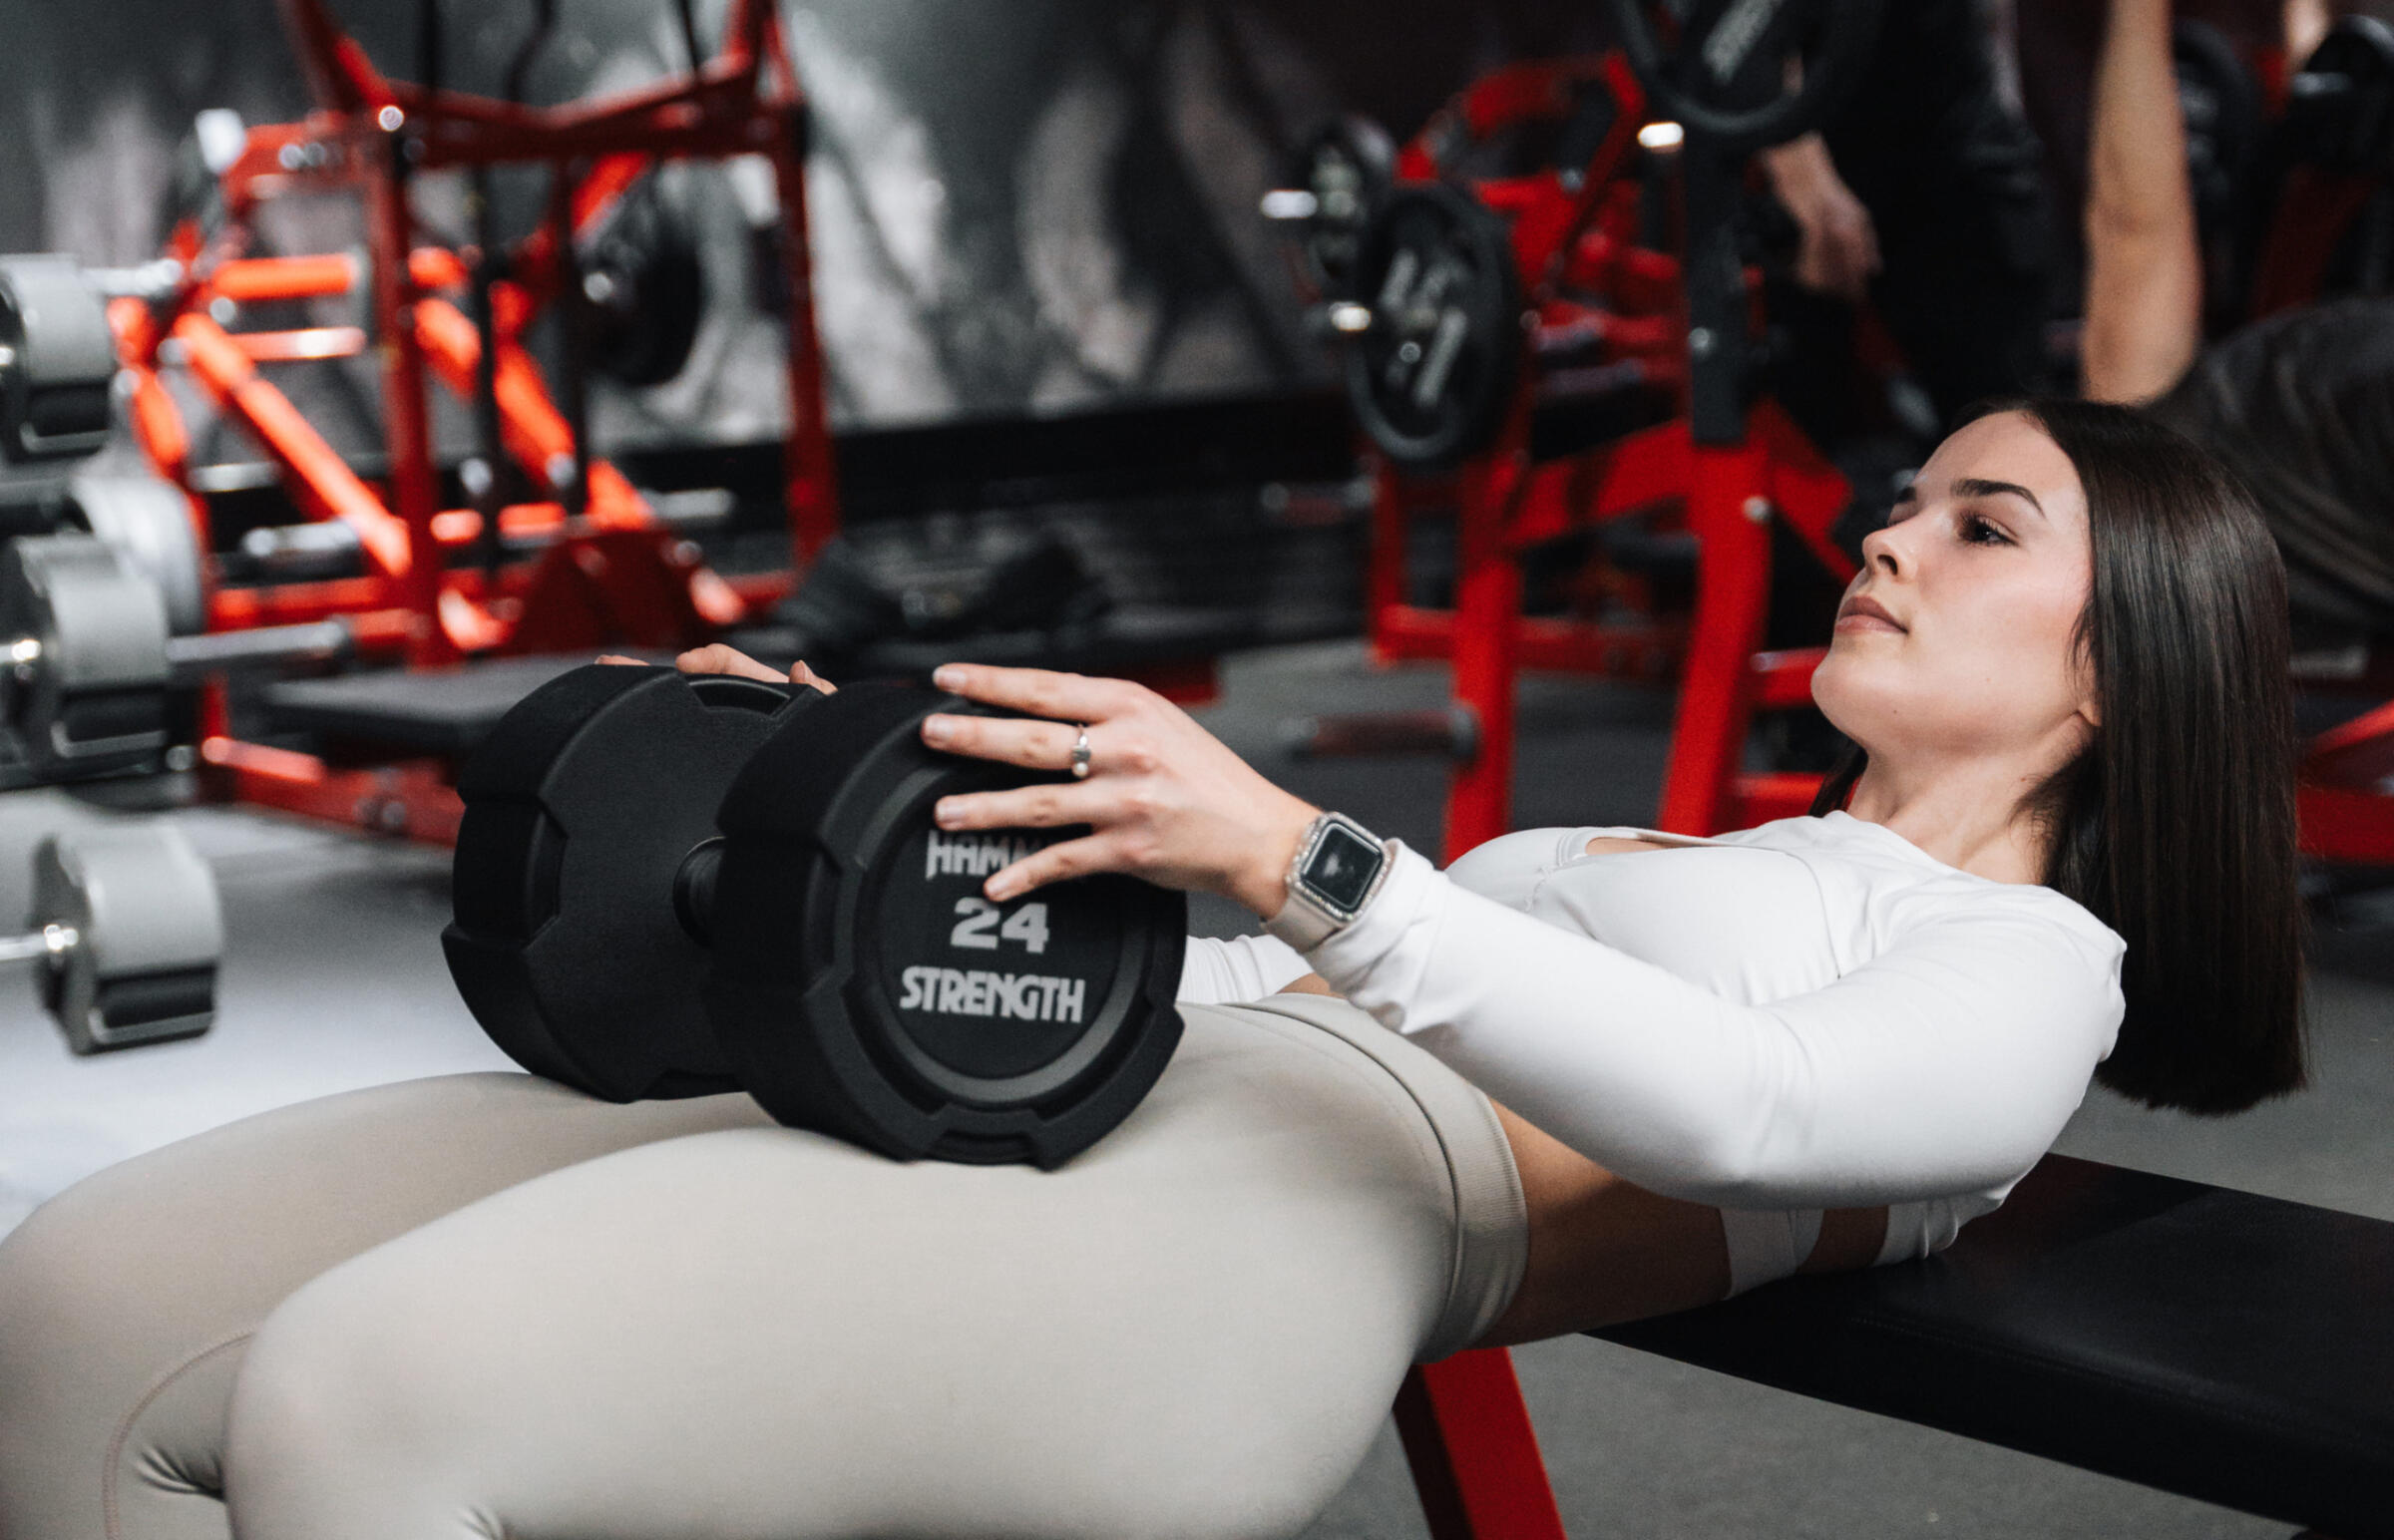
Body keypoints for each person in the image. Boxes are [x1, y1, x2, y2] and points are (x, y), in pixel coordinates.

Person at [0, 401, 2302, 1540]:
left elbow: (1757, 1118)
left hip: (1273, 1240)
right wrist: (874, 844)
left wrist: (1304, 857)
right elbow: (1223, 986)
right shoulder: (1707, 851)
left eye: (1981, 524)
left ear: (2132, 657)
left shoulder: (2030, 961)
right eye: (1902, 497)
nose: (1887, 534)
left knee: (370, 1396)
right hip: (1096, 1105)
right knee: (84, 1296)